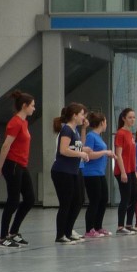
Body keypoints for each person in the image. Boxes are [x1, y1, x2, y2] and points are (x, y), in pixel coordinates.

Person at [0, 91, 36, 248]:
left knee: (29, 199)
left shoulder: (24, 123)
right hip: (12, 164)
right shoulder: (15, 123)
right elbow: (6, 145)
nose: (34, 108)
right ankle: (2, 237)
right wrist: (0, 165)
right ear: (24, 106)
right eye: (32, 105)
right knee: (13, 200)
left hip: (21, 165)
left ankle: (13, 232)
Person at [50, 102, 87, 244]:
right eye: (82, 114)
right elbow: (63, 150)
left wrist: (83, 152)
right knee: (66, 203)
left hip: (72, 171)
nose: (83, 117)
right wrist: (80, 154)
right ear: (74, 115)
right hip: (62, 171)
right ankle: (60, 235)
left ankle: (68, 231)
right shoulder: (66, 130)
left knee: (77, 200)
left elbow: (77, 147)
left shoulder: (75, 130)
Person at [81, 111, 113, 238]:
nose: (106, 124)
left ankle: (98, 226)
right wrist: (105, 152)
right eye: (105, 122)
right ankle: (89, 229)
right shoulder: (91, 136)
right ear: (102, 123)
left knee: (103, 199)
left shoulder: (98, 136)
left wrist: (107, 154)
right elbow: (89, 155)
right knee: (95, 200)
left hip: (100, 172)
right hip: (91, 173)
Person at [113, 107, 137, 235]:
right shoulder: (120, 133)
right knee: (126, 197)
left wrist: (135, 173)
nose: (132, 120)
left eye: (134, 117)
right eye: (130, 117)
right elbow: (119, 154)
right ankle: (120, 226)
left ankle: (129, 224)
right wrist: (123, 172)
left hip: (131, 170)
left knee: (134, 197)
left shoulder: (130, 134)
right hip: (122, 170)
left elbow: (132, 156)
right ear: (124, 118)